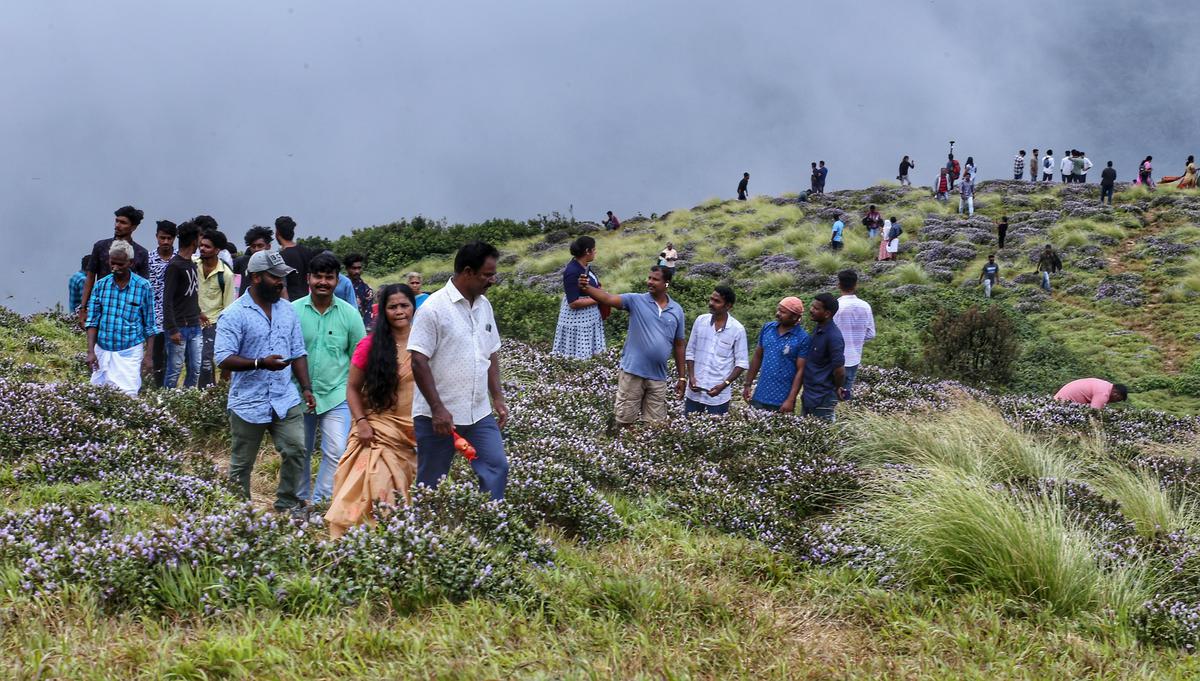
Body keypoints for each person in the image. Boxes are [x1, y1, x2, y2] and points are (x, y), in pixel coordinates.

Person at [215, 250, 315, 515]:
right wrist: (260, 363)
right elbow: (223, 358)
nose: (281, 281)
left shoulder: (288, 311)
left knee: (296, 450)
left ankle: (287, 504)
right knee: (241, 464)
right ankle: (239, 514)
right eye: (275, 277)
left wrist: (306, 388)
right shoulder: (234, 314)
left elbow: (298, 351)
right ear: (256, 277)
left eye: (283, 277)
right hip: (249, 401)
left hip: (285, 397)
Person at [409, 241, 509, 499]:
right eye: (487, 275)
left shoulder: (484, 305)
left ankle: (491, 524)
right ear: (467, 272)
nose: (492, 280)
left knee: (496, 466)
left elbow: (491, 352)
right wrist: (438, 409)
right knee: (431, 482)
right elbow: (418, 361)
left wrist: (497, 397)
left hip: (478, 412)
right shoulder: (433, 308)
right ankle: (423, 534)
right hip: (438, 416)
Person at [325, 284, 420, 539]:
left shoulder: (424, 342)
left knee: (406, 491)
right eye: (393, 307)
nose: (399, 311)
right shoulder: (370, 346)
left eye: (404, 305)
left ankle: (393, 545)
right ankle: (360, 542)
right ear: (383, 311)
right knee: (376, 482)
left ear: (413, 307)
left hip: (410, 432)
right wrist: (363, 422)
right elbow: (353, 389)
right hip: (375, 429)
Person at [293, 252, 367, 506]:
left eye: (329, 277)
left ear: (337, 281)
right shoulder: (293, 312)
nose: (323, 282)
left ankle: (321, 504)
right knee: (299, 452)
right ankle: (300, 501)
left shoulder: (349, 315)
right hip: (298, 394)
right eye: (318, 277)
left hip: (337, 395)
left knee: (335, 451)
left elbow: (359, 357)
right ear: (308, 279)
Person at [580, 265, 686, 428]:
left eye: (655, 279)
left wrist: (681, 377)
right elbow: (608, 298)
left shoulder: (677, 310)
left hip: (658, 376)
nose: (650, 282)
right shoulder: (635, 300)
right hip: (633, 372)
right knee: (624, 421)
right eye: (649, 278)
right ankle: (624, 449)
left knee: (656, 426)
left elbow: (679, 345)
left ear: (667, 283)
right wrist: (587, 288)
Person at [85, 241, 156, 397]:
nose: (115, 267)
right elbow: (92, 321)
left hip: (129, 351)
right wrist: (91, 351)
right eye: (113, 263)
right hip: (103, 349)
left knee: (128, 394)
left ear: (130, 263)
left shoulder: (143, 287)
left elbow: (150, 325)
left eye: (120, 264)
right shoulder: (101, 285)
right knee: (97, 395)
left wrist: (149, 356)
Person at [79, 205, 150, 328]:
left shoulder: (140, 253)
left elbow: (144, 286)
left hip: (128, 312)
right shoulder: (101, 247)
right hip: (102, 307)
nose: (117, 225)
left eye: (123, 222)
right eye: (117, 221)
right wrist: (83, 308)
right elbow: (90, 278)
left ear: (133, 227)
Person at [683, 286, 748, 416]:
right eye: (711, 299)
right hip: (694, 391)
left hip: (719, 396)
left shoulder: (737, 329)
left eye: (716, 301)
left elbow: (741, 363)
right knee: (688, 429)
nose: (711, 303)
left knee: (717, 430)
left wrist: (724, 385)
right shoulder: (700, 321)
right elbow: (690, 351)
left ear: (728, 306)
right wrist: (691, 377)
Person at [742, 297, 809, 413]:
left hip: (782, 401)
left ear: (795, 317)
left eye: (783, 312)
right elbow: (758, 356)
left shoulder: (802, 338)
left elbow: (801, 371)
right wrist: (747, 384)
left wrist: (791, 399)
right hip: (760, 395)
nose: (778, 314)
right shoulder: (768, 328)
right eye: (778, 310)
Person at [162, 221, 202, 389]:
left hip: (194, 324)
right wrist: (172, 329)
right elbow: (167, 299)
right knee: (175, 368)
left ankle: (188, 399)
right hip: (179, 327)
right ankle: (168, 401)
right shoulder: (174, 266)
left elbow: (191, 294)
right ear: (194, 241)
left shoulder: (191, 264)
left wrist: (199, 312)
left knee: (195, 367)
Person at [552, 236, 606, 359]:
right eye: (594, 249)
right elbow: (573, 303)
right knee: (579, 357)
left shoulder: (584, 266)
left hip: (589, 319)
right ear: (587, 251)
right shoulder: (572, 271)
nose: (595, 252)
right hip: (578, 323)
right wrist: (599, 298)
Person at [197, 229, 236, 388]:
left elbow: (228, 306)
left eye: (207, 246)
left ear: (217, 250)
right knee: (194, 361)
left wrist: (223, 329)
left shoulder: (226, 274)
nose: (202, 249)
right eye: (201, 245)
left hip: (212, 323)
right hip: (193, 319)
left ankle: (207, 395)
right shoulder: (194, 265)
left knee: (206, 360)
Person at [801, 293, 845, 422]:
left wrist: (837, 387)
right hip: (810, 393)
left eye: (816, 308)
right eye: (812, 306)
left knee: (823, 434)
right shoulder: (818, 329)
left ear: (827, 313)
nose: (811, 310)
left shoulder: (833, 336)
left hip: (822, 397)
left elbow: (840, 370)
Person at [833, 271, 874, 400]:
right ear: (856, 285)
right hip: (854, 358)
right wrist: (857, 339)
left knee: (831, 394)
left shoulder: (836, 306)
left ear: (839, 285)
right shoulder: (865, 306)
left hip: (836, 359)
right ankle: (846, 417)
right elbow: (871, 334)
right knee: (846, 394)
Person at [147, 220, 177, 388]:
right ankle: (159, 387)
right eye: (162, 238)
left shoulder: (179, 259)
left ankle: (171, 387)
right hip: (154, 314)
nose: (165, 242)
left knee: (174, 355)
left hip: (174, 315)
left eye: (169, 238)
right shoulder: (148, 259)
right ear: (157, 237)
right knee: (157, 353)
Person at [275, 216, 313, 301]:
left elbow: (282, 286)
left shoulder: (280, 257)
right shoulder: (307, 252)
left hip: (290, 302)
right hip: (307, 301)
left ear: (277, 232)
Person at [235, 226, 274, 296]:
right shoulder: (241, 262)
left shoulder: (274, 264)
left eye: (260, 246)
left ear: (268, 246)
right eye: (253, 246)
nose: (256, 249)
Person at [343, 253, 375, 328]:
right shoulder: (338, 286)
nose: (357, 271)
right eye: (354, 268)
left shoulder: (367, 290)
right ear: (347, 268)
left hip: (358, 327)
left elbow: (368, 312)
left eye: (359, 268)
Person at [1054, 378, 1128, 410]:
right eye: (1117, 399)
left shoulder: (1105, 385)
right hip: (1063, 404)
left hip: (1057, 400)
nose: (1114, 402)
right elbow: (1094, 411)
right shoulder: (1104, 393)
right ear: (1116, 393)